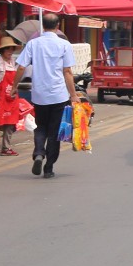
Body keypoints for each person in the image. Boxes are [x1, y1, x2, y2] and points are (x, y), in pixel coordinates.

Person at [14, 13, 80, 178]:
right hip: (59, 95)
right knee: (54, 132)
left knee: (40, 126)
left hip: (39, 95)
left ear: (43, 26)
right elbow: (67, 71)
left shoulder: (33, 44)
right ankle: (49, 167)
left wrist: (14, 87)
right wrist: (73, 95)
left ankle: (38, 153)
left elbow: (21, 67)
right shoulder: (64, 45)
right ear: (58, 26)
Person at [0, 35, 28, 158]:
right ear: (2, 50)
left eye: (12, 49)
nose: (10, 51)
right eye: (8, 49)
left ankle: (6, 147)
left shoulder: (13, 62)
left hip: (12, 97)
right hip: (0, 97)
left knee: (10, 122)